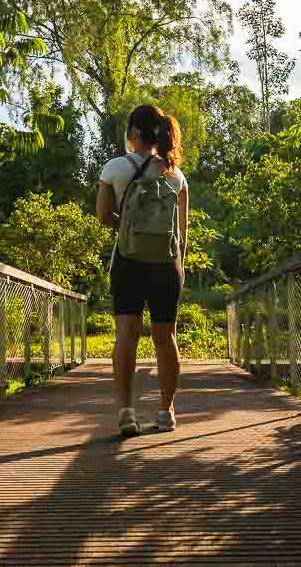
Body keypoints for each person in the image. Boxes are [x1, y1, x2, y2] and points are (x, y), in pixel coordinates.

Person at [96, 105, 188, 437]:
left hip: (129, 260)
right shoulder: (176, 174)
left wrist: (130, 228)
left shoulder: (115, 167)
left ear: (133, 133)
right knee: (166, 338)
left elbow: (103, 215)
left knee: (126, 335)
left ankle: (126, 413)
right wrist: (181, 267)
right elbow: (182, 232)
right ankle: (166, 413)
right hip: (166, 264)